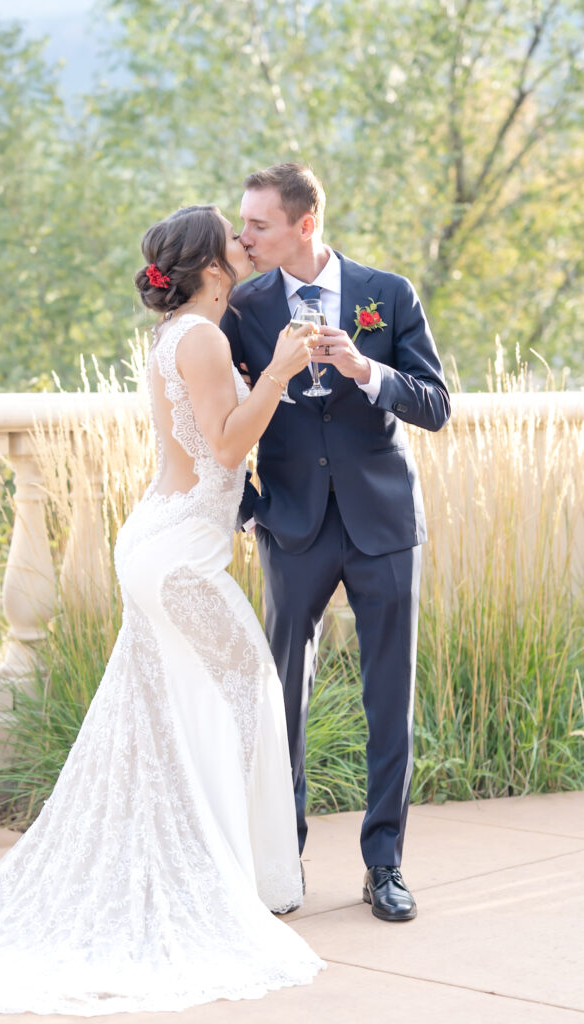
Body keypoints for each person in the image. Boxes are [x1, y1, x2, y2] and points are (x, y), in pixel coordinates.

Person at [0, 205, 324, 1015]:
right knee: (247, 689)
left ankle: (227, 868)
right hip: (178, 558)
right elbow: (225, 445)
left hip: (167, 541)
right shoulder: (202, 339)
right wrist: (277, 370)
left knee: (185, 706)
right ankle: (227, 877)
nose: (244, 244)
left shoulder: (180, 334)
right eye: (232, 238)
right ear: (210, 266)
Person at [221, 164, 451, 923]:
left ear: (305, 224)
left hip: (384, 524)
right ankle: (281, 861)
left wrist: (365, 368)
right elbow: (219, 414)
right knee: (280, 697)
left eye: (258, 225)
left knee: (389, 697)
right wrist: (250, 509)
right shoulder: (244, 307)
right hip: (292, 524)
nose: (245, 237)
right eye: (244, 224)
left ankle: (384, 865)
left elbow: (436, 405)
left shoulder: (390, 293)